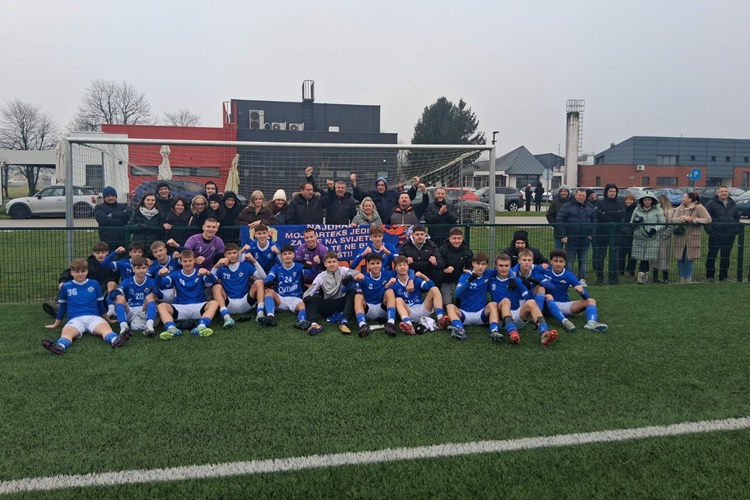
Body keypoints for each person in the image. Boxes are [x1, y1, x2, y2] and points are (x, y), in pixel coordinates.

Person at [42, 258, 132, 355]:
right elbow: (63, 307)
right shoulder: (66, 286)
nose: (80, 274)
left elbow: (100, 305)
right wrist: (56, 324)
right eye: (77, 272)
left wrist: (108, 320)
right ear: (71, 273)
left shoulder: (94, 284)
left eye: (83, 271)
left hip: (94, 317)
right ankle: (60, 347)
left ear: (87, 271)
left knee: (106, 329)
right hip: (75, 319)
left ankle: (116, 340)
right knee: (67, 333)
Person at [43, 241, 120, 318]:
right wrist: (62, 281)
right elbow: (69, 272)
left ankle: (106, 308)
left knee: (105, 286)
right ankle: (59, 307)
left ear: (107, 252)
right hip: (87, 288)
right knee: (67, 285)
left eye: (102, 252)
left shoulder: (114, 264)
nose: (100, 255)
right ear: (94, 253)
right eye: (98, 253)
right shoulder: (88, 264)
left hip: (106, 291)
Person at [538, 249, 608, 332]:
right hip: (548, 303)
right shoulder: (545, 271)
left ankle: (591, 323)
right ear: (551, 262)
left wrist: (582, 292)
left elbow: (586, 296)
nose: (558, 264)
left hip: (564, 305)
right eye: (555, 261)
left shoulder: (569, 275)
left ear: (564, 263)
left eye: (561, 261)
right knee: (547, 295)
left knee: (591, 301)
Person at [156, 249, 220, 339]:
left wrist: (208, 273)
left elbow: (214, 280)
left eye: (190, 260)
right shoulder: (175, 274)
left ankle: (202, 326)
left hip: (199, 306)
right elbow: (160, 284)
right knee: (161, 306)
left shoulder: (200, 272)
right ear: (181, 262)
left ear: (194, 260)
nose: (188, 263)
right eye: (185, 261)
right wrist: (159, 275)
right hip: (180, 307)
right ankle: (171, 328)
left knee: (214, 303)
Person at [302, 251, 364, 335]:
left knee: (352, 292)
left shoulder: (342, 270)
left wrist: (352, 277)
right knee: (311, 299)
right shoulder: (321, 276)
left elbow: (356, 273)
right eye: (329, 262)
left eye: (334, 261)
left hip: (342, 302)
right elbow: (309, 291)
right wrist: (306, 297)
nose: (332, 264)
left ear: (338, 263)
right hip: (328, 304)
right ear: (325, 264)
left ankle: (344, 322)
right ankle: (314, 324)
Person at [444, 253, 500, 341]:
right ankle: (460, 330)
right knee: (450, 307)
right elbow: (457, 294)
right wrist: (469, 280)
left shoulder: (487, 274)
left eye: (483, 264)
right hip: (465, 315)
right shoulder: (465, 276)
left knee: (493, 304)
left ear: (486, 265)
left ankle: (494, 332)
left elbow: (505, 270)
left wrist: (512, 277)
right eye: (478, 263)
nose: (480, 267)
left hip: (481, 314)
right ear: (473, 263)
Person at [211, 242, 266, 329]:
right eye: (229, 253)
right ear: (225, 255)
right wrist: (216, 266)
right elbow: (208, 282)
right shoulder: (221, 268)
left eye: (234, 253)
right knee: (216, 287)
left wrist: (254, 261)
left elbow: (263, 277)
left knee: (259, 282)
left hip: (245, 302)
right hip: (229, 304)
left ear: (238, 253)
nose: (232, 255)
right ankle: (226, 318)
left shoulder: (246, 266)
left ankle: (260, 313)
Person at [257, 244, 311, 331]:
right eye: (285, 254)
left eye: (289, 253)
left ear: (293, 255)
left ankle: (302, 321)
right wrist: (268, 281)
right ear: (281, 256)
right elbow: (269, 277)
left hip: (295, 298)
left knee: (303, 305)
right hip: (281, 299)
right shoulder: (276, 267)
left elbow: (311, 273)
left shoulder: (299, 266)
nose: (287, 256)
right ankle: (270, 317)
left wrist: (310, 268)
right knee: (268, 291)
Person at [390, 256, 449, 334]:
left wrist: (423, 276)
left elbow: (431, 287)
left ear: (408, 266)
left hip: (422, 309)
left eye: (404, 265)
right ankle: (409, 325)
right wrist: (387, 285)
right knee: (398, 300)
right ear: (395, 268)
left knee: (434, 289)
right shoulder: (394, 283)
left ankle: (440, 319)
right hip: (409, 311)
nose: (402, 267)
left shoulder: (416, 280)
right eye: (399, 265)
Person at [110, 256, 161, 337]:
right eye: (138, 268)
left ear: (147, 268)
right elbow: (118, 291)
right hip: (130, 310)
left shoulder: (150, 281)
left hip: (143, 310)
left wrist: (156, 291)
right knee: (119, 298)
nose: (141, 271)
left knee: (151, 296)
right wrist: (115, 293)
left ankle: (149, 327)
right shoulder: (127, 281)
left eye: (143, 268)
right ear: (133, 269)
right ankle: (123, 327)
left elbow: (160, 295)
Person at [353, 253, 400, 337]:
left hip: (383, 308)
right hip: (368, 310)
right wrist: (354, 280)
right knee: (358, 296)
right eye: (372, 263)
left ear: (381, 264)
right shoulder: (363, 277)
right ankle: (362, 325)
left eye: (378, 263)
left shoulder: (388, 274)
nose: (375, 266)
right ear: (368, 265)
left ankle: (391, 324)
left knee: (390, 291)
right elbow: (344, 289)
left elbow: (407, 271)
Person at [555, 188, 596, 286]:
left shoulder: (590, 206)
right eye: (579, 195)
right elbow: (559, 221)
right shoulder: (567, 206)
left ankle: (582, 278)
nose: (581, 197)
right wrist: (563, 235)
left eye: (583, 196)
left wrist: (591, 234)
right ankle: (570, 279)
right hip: (571, 238)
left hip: (585, 239)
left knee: (583, 260)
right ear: (575, 195)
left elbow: (594, 221)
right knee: (569, 260)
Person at [671, 192, 711, 282]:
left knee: (689, 258)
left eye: (684, 197)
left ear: (690, 199)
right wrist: (683, 218)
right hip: (680, 237)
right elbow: (673, 219)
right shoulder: (680, 208)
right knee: (680, 257)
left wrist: (694, 220)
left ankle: (688, 277)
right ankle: (681, 277)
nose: (682, 198)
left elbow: (708, 219)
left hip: (692, 237)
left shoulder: (699, 207)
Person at [704, 186, 741, 281]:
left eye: (726, 191)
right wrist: (710, 231)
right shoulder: (711, 203)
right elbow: (706, 218)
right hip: (715, 234)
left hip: (729, 235)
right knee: (712, 255)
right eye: (722, 191)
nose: (724, 193)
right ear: (718, 193)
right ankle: (710, 276)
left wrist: (735, 230)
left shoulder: (732, 203)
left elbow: (737, 217)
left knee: (725, 256)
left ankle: (723, 276)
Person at [630, 193, 666, 284]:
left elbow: (663, 223)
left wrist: (655, 229)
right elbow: (631, 222)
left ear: (652, 201)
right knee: (641, 257)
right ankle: (641, 277)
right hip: (639, 236)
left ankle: (643, 277)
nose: (647, 202)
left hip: (651, 237)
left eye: (649, 200)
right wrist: (635, 224)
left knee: (647, 257)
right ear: (642, 201)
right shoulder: (637, 209)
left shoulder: (658, 210)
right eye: (645, 200)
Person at [592, 184, 625, 285]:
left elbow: (622, 214)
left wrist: (606, 213)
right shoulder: (600, 202)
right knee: (600, 257)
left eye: (614, 191)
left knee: (615, 258)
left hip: (615, 234)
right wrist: (613, 218)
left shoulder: (620, 203)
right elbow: (598, 214)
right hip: (602, 234)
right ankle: (600, 277)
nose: (612, 193)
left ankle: (615, 277)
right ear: (606, 192)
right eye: (610, 191)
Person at [351, 174, 419, 219]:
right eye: (378, 185)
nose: (380, 187)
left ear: (386, 186)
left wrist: (415, 186)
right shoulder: (371, 194)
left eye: (382, 185)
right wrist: (354, 184)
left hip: (391, 224)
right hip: (376, 224)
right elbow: (359, 195)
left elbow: (407, 197)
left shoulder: (393, 194)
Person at [438, 227, 474, 306]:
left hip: (461, 277)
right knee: (446, 303)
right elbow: (438, 265)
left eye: (459, 238)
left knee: (462, 303)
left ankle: (460, 296)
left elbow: (471, 265)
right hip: (446, 278)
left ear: (462, 239)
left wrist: (468, 270)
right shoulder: (442, 250)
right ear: (450, 239)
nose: (457, 241)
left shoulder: (467, 250)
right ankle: (448, 292)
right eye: (454, 238)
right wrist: (444, 270)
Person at [94, 186, 132, 251]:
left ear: (116, 196)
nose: (110, 198)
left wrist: (112, 215)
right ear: (104, 197)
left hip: (124, 241)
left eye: (112, 195)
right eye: (108, 196)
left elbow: (129, 214)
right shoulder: (99, 207)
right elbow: (103, 220)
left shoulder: (123, 205)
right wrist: (122, 221)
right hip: (108, 243)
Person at [653, 194, 675, 284]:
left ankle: (665, 277)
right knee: (654, 257)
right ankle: (655, 277)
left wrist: (664, 235)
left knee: (664, 257)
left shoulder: (668, 212)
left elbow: (671, 226)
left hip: (664, 238)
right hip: (655, 237)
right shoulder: (656, 211)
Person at [617, 193, 638, 278]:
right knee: (621, 253)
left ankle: (630, 270)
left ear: (634, 201)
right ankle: (620, 269)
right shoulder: (621, 208)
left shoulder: (636, 209)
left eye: (631, 200)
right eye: (627, 199)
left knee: (632, 254)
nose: (628, 201)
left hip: (631, 234)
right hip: (621, 234)